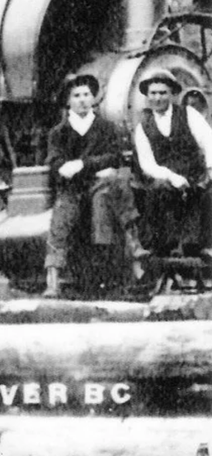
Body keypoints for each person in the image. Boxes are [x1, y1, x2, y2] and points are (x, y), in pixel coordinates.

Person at [43, 73, 143, 297]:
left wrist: (82, 164)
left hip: (98, 184)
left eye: (87, 94)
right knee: (61, 219)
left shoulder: (105, 127)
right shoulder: (59, 132)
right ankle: (53, 279)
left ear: (93, 98)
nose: (82, 100)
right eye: (77, 95)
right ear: (68, 100)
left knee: (104, 206)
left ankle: (124, 258)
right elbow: (54, 162)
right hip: (72, 189)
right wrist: (64, 168)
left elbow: (113, 156)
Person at [133, 71, 212, 262]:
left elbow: (209, 141)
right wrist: (171, 176)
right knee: (159, 191)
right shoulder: (143, 126)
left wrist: (210, 170)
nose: (158, 98)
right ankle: (164, 250)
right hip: (165, 179)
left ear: (171, 94)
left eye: (162, 93)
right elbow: (147, 164)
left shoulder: (188, 114)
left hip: (195, 175)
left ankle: (201, 247)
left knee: (207, 195)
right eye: (153, 93)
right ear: (147, 96)